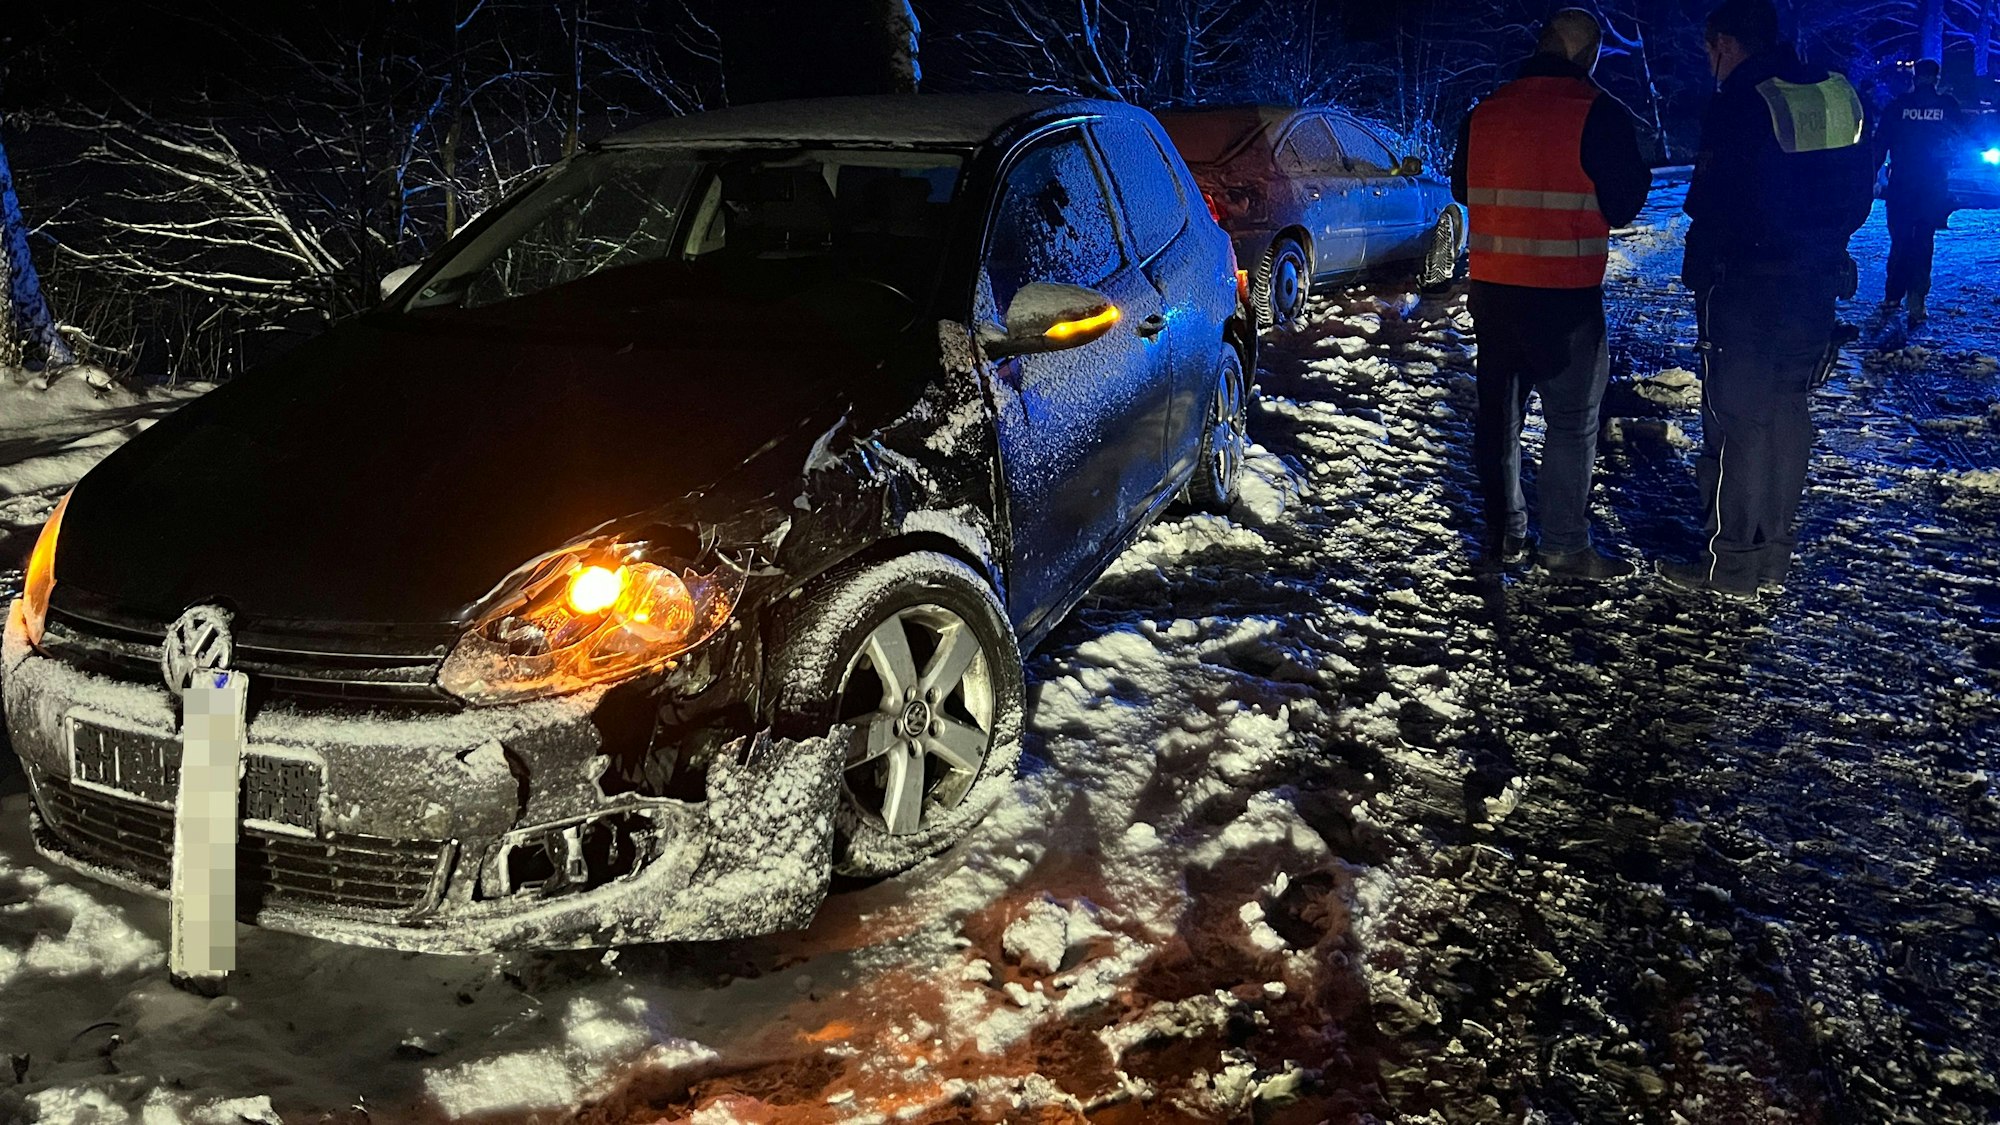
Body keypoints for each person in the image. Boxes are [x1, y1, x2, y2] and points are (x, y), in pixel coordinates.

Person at [1657, 0, 1875, 599]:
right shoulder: (1835, 93)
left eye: (1709, 50)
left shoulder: (1740, 101)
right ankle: (1775, 556)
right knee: (1788, 412)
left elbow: (1710, 202)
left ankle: (1728, 567)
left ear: (1724, 43)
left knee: (1737, 422)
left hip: (1746, 285)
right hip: (1816, 280)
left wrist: (1707, 270)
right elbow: (1860, 192)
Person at [1451, 8, 1651, 580]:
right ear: (1586, 55)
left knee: (1499, 419)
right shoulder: (1600, 114)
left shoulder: (1483, 112)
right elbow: (1625, 203)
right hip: (1567, 300)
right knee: (1571, 422)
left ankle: (1504, 536)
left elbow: (1462, 187)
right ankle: (1563, 545)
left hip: (1494, 294)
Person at [1876, 59, 1961, 326]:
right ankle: (1917, 299)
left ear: (1914, 77)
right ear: (1936, 78)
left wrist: (1868, 174)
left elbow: (1880, 144)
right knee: (1924, 239)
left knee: (1900, 239)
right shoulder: (1947, 106)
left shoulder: (1898, 106)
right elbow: (1967, 134)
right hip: (1932, 185)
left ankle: (1892, 297)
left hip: (1902, 183)